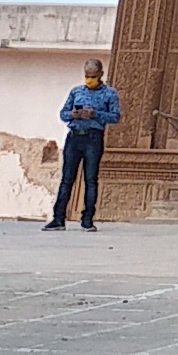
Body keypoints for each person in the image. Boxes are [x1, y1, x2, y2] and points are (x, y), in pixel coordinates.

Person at [47, 60, 120, 230]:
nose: (89, 80)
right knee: (67, 179)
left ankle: (87, 220)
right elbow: (63, 114)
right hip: (74, 137)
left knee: (90, 180)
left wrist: (96, 114)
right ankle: (58, 218)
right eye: (87, 76)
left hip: (93, 138)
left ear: (101, 74)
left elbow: (115, 117)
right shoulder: (76, 91)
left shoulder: (110, 94)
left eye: (93, 76)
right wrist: (74, 114)